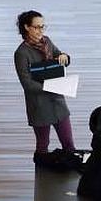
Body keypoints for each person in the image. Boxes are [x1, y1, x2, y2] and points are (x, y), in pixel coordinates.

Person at [14, 10, 75, 161]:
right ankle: (41, 176)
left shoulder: (46, 41)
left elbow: (61, 56)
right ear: (27, 27)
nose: (41, 30)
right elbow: (27, 84)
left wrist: (64, 57)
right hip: (39, 106)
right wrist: (50, 87)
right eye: (37, 27)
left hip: (57, 102)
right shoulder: (21, 53)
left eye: (43, 26)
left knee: (69, 143)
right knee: (42, 145)